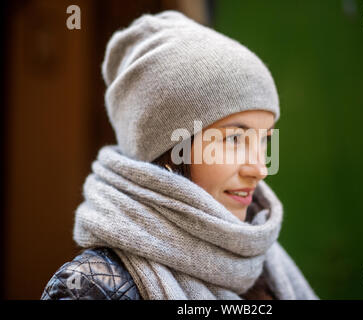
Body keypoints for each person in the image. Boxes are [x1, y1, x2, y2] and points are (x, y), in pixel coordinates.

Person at [41, 10, 318, 300]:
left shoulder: (259, 257)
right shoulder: (92, 288)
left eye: (264, 141)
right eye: (234, 139)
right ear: (169, 152)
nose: (260, 169)